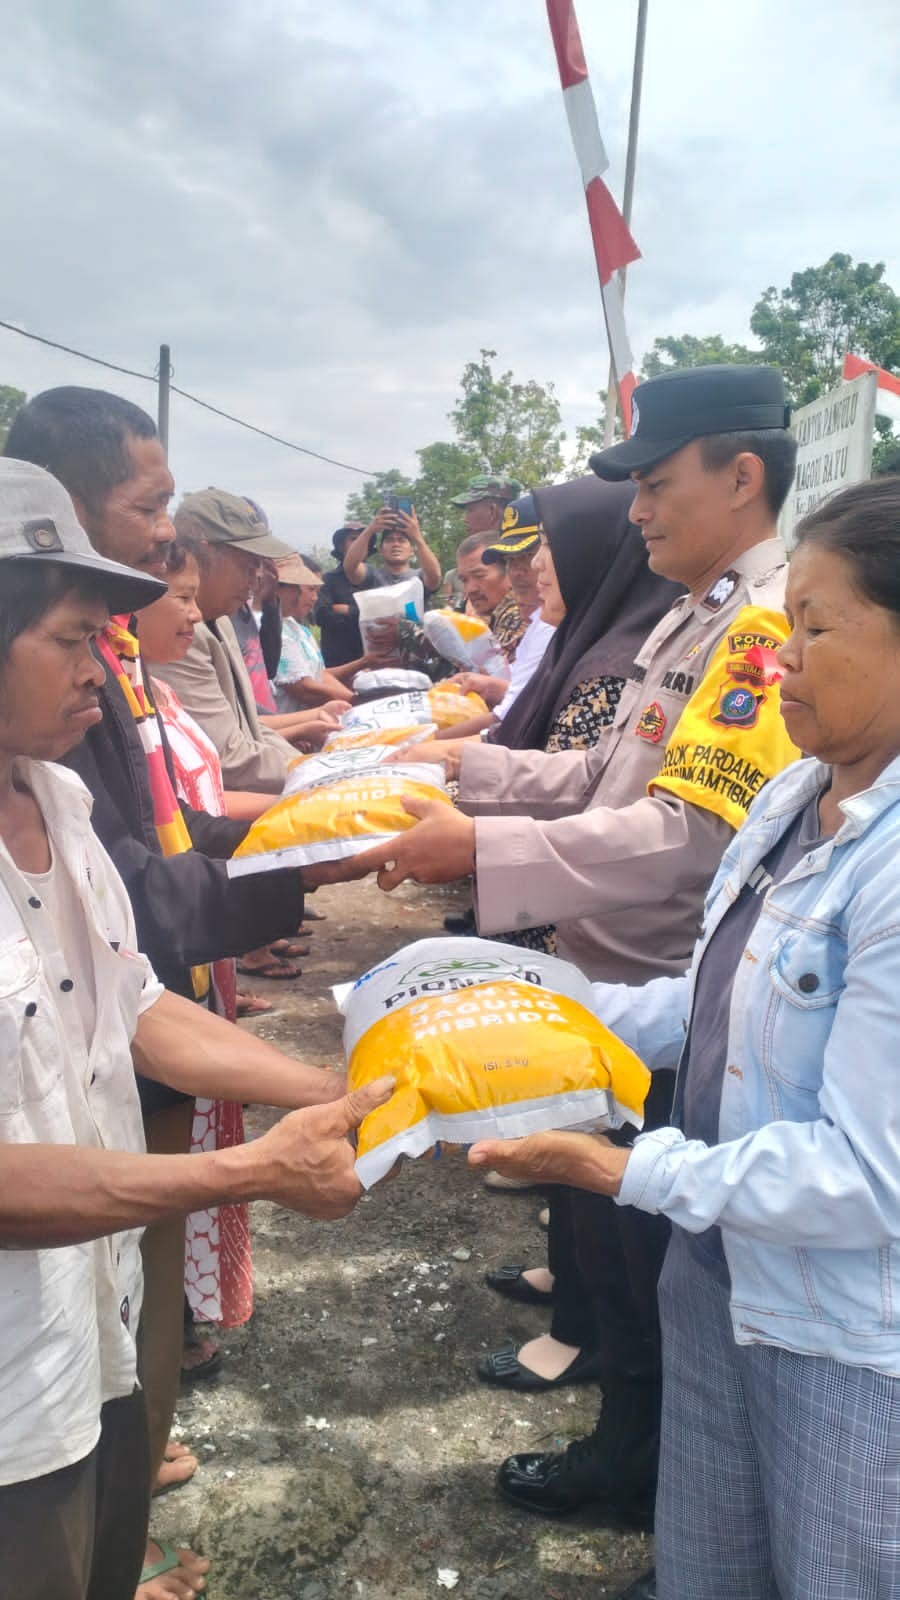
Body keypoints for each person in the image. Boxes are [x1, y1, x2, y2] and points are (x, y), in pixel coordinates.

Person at [339, 366, 801, 1565]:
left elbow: (684, 837)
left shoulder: (758, 628)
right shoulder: (692, 615)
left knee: (652, 1253)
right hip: (614, 971)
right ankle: (645, 1457)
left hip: (659, 986)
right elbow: (607, 784)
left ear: (740, 475)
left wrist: (480, 844)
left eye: (656, 483)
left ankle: (644, 1472)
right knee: (610, 1241)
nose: (637, 512)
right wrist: (470, 774)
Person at [467, 475, 900, 1600]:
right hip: (719, 1271)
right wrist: (518, 1013)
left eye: (813, 626)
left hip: (843, 1336)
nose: (777, 658)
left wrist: (614, 1166)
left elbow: (865, 1181)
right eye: (781, 622)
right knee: (710, 1561)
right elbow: (702, 1000)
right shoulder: (794, 797)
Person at [0, 456, 393, 1600]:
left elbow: (135, 1002)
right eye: (73, 642)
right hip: (13, 1383)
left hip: (97, 1317)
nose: (103, 673)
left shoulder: (58, 799)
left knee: (103, 1543)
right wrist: (247, 1169)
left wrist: (324, 1093)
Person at [154, 489, 342, 793]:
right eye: (249, 563)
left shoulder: (222, 621)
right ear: (206, 553)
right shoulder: (178, 635)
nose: (257, 576)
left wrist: (322, 768)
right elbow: (228, 758)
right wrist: (328, 775)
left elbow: (250, 731)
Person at [271, 553, 359, 709]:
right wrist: (359, 702)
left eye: (317, 591)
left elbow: (321, 675)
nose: (315, 598)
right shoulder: (271, 631)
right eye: (311, 589)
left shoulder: (297, 628)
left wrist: (355, 700)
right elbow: (306, 690)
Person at [341, 502, 442, 597]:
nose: (396, 544)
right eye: (389, 540)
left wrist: (417, 536)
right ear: (381, 551)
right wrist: (371, 528)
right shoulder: (371, 575)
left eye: (401, 540)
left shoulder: (419, 577)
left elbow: (435, 577)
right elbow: (349, 567)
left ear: (412, 551)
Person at [454, 529, 526, 661]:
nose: (470, 589)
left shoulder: (518, 616)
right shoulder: (493, 619)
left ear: (509, 570)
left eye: (479, 576)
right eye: (464, 580)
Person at [315, 523, 372, 667]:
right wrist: (364, 614)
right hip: (338, 662)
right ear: (341, 547)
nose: (360, 542)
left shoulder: (378, 577)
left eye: (364, 539)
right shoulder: (328, 579)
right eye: (353, 539)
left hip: (373, 660)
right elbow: (322, 615)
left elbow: (385, 614)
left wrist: (349, 610)